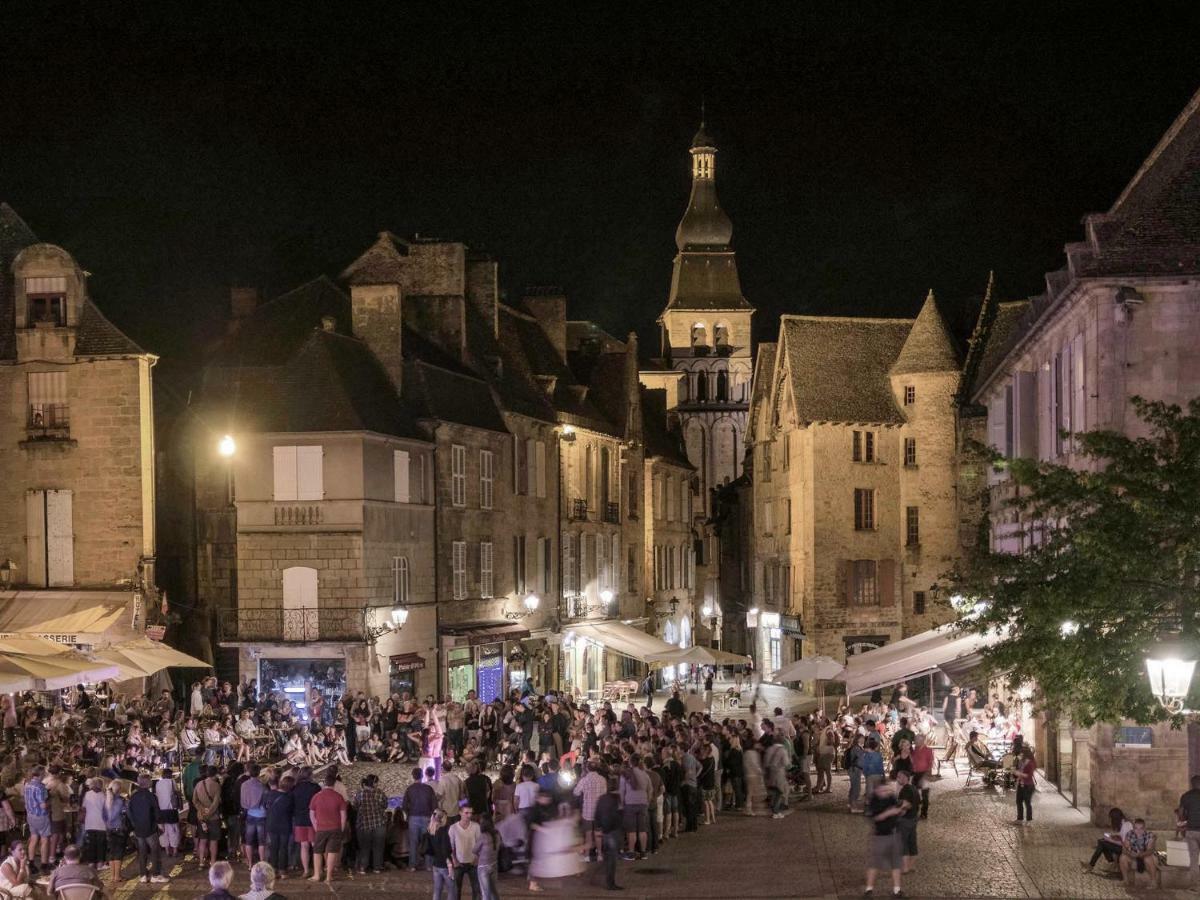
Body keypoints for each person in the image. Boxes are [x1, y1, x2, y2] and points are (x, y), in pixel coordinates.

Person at [864, 780, 905, 898]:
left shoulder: (891, 797)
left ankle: (897, 890)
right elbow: (876, 818)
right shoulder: (873, 800)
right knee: (874, 863)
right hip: (880, 836)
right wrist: (889, 812)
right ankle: (868, 889)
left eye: (887, 790)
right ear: (876, 790)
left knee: (896, 863)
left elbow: (899, 811)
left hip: (894, 834)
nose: (886, 792)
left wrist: (901, 810)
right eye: (883, 790)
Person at [128, 774, 170, 883]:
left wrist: (133, 824)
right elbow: (156, 811)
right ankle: (155, 874)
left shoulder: (133, 796)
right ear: (148, 783)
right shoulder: (151, 796)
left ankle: (143, 874)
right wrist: (161, 824)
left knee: (142, 852)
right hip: (150, 828)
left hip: (138, 828)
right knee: (155, 851)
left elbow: (129, 812)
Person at [309, 770, 348, 884]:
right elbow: (343, 815)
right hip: (335, 828)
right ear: (334, 784)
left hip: (321, 828)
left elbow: (311, 814)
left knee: (317, 852)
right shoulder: (339, 797)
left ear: (324, 784)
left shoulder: (316, 796)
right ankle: (329, 876)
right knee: (332, 852)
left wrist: (316, 826)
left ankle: (316, 875)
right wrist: (341, 828)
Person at [354, 772, 389, 875]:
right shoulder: (380, 793)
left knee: (364, 846)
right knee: (378, 846)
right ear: (374, 783)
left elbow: (355, 806)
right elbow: (385, 805)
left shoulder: (359, 794)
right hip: (379, 823)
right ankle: (377, 867)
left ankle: (363, 867)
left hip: (364, 824)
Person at [291, 767, 321, 878]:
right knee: (315, 845)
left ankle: (306, 870)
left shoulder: (295, 788)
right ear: (310, 775)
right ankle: (318, 870)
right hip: (313, 819)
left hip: (299, 819)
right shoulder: (315, 787)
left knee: (304, 846)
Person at [619, 755, 651, 859]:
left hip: (630, 803)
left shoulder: (626, 774)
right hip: (643, 803)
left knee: (631, 830)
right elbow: (650, 790)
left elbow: (622, 791)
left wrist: (622, 803)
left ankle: (631, 853)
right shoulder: (645, 774)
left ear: (630, 762)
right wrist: (648, 801)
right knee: (642, 829)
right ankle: (643, 852)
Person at [594, 776, 622, 891]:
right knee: (612, 858)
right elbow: (619, 815)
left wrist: (599, 827)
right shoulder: (617, 799)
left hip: (605, 830)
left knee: (607, 856)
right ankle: (610, 883)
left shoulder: (601, 798)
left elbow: (597, 813)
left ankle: (605, 878)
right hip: (613, 830)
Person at [1082, 806, 1131, 874]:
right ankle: (1094, 864)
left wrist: (1110, 840)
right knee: (1102, 841)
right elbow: (1122, 836)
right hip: (1123, 847)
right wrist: (1114, 835)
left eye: (1111, 818)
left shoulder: (1126, 825)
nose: (1110, 820)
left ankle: (1091, 865)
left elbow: (1124, 844)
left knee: (1102, 843)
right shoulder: (1125, 823)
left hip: (1125, 849)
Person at [419, 809, 455, 899]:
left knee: (437, 890)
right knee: (452, 889)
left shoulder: (431, 830)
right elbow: (445, 849)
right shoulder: (444, 831)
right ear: (443, 818)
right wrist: (449, 863)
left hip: (436, 864)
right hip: (444, 865)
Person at [194, 766, 224, 869]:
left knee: (202, 840)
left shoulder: (198, 784)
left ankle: (201, 862)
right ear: (215, 774)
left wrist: (202, 810)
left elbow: (195, 800)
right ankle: (212, 861)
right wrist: (209, 812)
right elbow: (216, 803)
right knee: (213, 841)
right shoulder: (216, 786)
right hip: (213, 817)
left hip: (201, 817)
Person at [23, 766, 52, 873]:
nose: (45, 775)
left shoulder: (27, 784)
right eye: (44, 773)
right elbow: (43, 805)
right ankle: (44, 864)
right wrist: (49, 802)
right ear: (40, 774)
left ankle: (31, 863)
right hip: (41, 816)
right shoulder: (40, 787)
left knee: (33, 838)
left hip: (30, 815)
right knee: (44, 840)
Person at [449, 804, 482, 898]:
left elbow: (479, 844)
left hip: (473, 862)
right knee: (456, 890)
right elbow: (450, 846)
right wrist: (454, 860)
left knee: (476, 889)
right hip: (459, 862)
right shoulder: (453, 828)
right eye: (466, 813)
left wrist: (477, 858)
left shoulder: (476, 827)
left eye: (471, 813)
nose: (469, 815)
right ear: (460, 813)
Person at [241, 762, 269, 869]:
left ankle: (249, 863)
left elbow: (243, 801)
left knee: (249, 840)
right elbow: (266, 802)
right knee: (261, 841)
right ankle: (262, 862)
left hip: (250, 814)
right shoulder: (263, 786)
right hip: (261, 815)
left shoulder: (244, 785)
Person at [1119, 818, 1160, 888]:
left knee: (1148, 858)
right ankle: (1125, 880)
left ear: (1144, 828)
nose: (1138, 831)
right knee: (1122, 857)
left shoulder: (1150, 835)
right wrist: (1130, 853)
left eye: (1141, 828)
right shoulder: (1130, 834)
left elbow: (1150, 850)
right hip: (1133, 855)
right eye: (1136, 828)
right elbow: (1124, 848)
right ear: (1133, 828)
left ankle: (1153, 882)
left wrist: (1140, 854)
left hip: (1146, 855)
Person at [894, 769, 919, 875]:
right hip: (913, 819)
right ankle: (912, 866)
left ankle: (905, 868)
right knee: (912, 842)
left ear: (905, 778)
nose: (897, 778)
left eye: (899, 776)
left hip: (905, 820)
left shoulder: (905, 790)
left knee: (903, 843)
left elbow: (905, 805)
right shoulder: (914, 788)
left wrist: (898, 813)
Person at [1178, 774, 1200, 886]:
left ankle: (1195, 886)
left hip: (1191, 830)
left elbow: (1181, 813)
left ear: (1192, 784)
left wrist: (1182, 823)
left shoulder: (1186, 796)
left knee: (1194, 859)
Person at [81, 777, 109, 867]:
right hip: (101, 823)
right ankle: (100, 862)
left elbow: (83, 808)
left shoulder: (87, 794)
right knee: (101, 844)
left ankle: (91, 862)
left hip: (90, 822)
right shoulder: (104, 795)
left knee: (91, 844)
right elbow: (107, 809)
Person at [762, 734, 790, 819]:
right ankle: (776, 811)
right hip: (779, 773)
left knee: (773, 792)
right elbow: (786, 763)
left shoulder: (769, 749)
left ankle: (773, 809)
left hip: (770, 773)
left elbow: (765, 762)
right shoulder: (782, 750)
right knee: (780, 792)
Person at [475, 814, 501, 900]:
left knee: (485, 894)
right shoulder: (497, 834)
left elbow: (474, 850)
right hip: (494, 864)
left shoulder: (483, 836)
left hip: (483, 866)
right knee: (494, 891)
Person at [910, 734, 934, 820]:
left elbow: (930, 764)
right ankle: (914, 811)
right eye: (915, 740)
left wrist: (925, 776)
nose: (914, 741)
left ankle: (924, 813)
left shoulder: (928, 750)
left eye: (916, 740)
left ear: (922, 741)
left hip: (924, 774)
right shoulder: (915, 749)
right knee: (914, 795)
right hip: (915, 774)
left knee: (924, 795)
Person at [1014, 745, 1036, 824]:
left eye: (1021, 754)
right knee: (1018, 801)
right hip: (1021, 784)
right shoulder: (1021, 762)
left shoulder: (1030, 763)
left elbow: (1029, 775)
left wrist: (1019, 773)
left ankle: (1029, 819)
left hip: (1028, 786)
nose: (1020, 755)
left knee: (1027, 802)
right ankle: (1020, 818)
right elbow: (1019, 771)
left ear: (1025, 755)